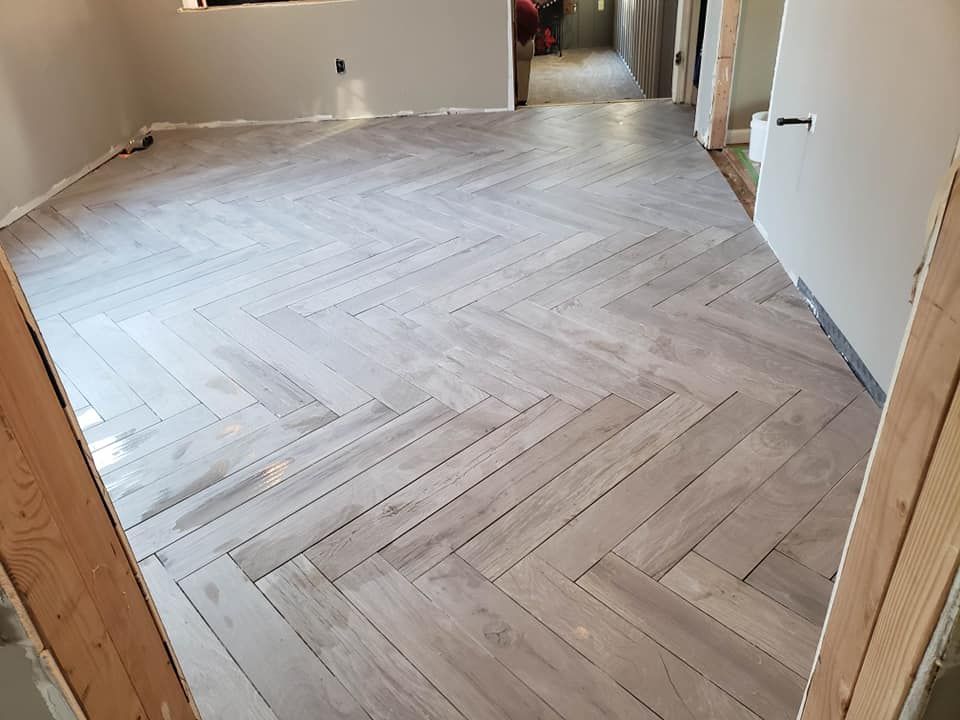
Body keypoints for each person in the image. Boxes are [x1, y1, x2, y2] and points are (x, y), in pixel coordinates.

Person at [515, 0, 539, 106]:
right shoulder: (529, 6)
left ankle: (517, 98)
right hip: (527, 43)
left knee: (518, 73)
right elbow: (535, 27)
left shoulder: (516, 5)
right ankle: (522, 97)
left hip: (518, 43)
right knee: (524, 73)